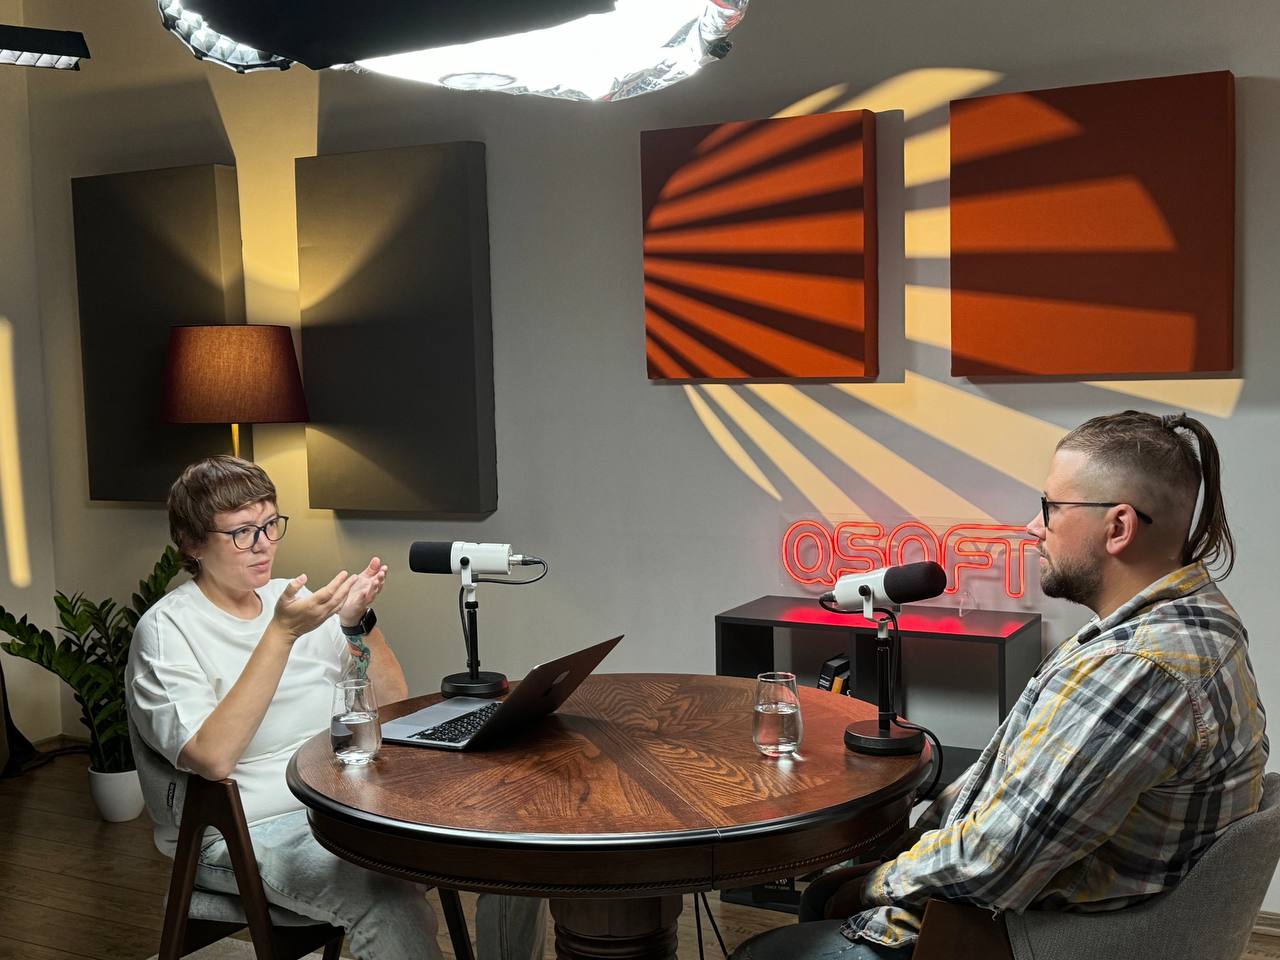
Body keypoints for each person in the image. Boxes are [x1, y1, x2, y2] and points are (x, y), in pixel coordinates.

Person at [734, 410, 1268, 959]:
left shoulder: (1140, 668)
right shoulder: (1197, 619)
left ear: (1119, 528)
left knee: (771, 945)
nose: (1033, 527)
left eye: (1050, 507)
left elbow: (995, 860)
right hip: (1041, 911)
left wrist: (875, 882)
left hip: (1004, 936)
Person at [126, 456, 545, 960]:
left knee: (510, 846)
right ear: (193, 543)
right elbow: (211, 758)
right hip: (240, 831)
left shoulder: (292, 599)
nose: (263, 544)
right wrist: (281, 635)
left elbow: (391, 704)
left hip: (342, 802)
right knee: (388, 902)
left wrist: (356, 624)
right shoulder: (168, 631)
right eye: (241, 533)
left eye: (270, 525)